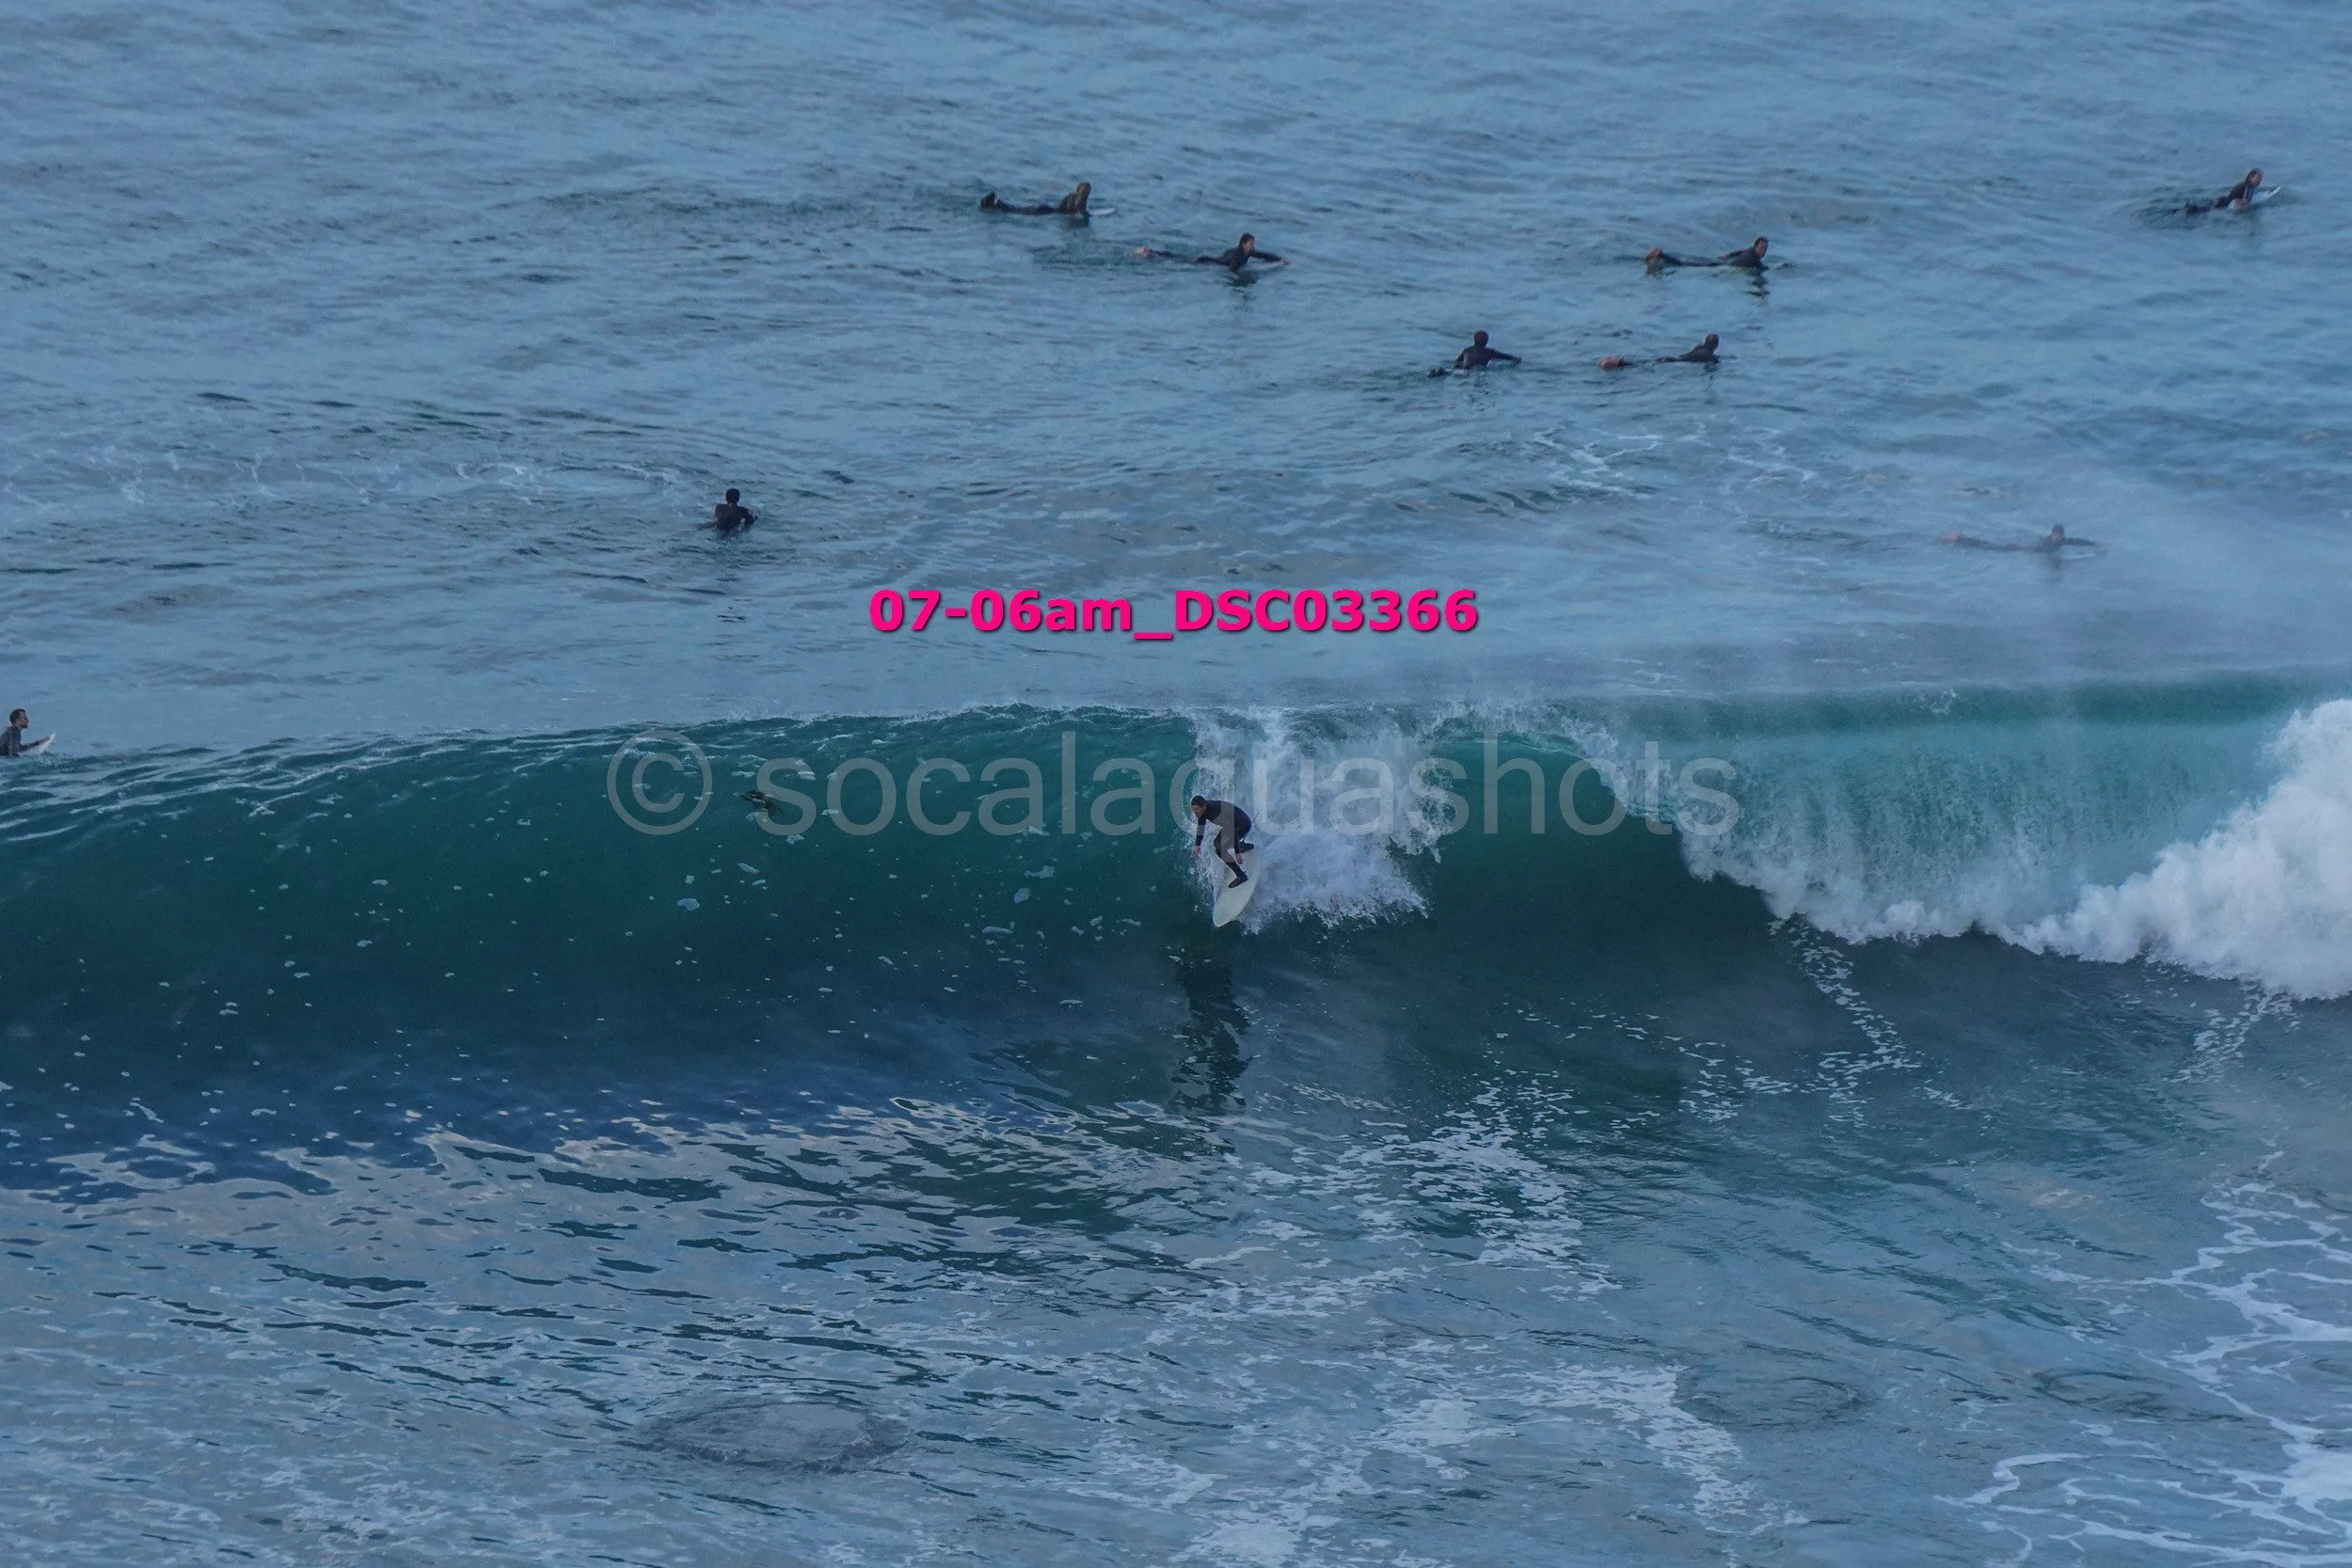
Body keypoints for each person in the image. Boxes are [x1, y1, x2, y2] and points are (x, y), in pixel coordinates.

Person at [1191, 795, 1256, 888]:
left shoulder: (1215, 811)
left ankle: (1241, 876)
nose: (1195, 812)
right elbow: (1201, 827)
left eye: (1197, 809)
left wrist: (1237, 853)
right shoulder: (1202, 812)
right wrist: (1197, 844)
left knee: (1220, 850)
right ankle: (1242, 846)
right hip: (1231, 825)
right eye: (1193, 809)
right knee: (1216, 843)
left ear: (1204, 806)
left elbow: (1232, 830)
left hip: (1242, 825)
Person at [1135, 232, 1287, 272]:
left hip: (1208, 260)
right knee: (1177, 261)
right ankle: (1150, 254)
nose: (1254, 246)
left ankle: (1150, 252)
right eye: (1252, 243)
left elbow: (1263, 255)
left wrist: (1280, 259)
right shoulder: (1239, 255)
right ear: (1244, 244)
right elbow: (1233, 270)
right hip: (1206, 263)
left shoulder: (1247, 252)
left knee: (1179, 258)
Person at [1646, 237, 1769, 273]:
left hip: (1722, 262)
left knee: (1688, 263)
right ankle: (1661, 255)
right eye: (1762, 248)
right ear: (1756, 246)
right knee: (1685, 265)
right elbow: (1761, 268)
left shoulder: (1751, 252)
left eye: (1765, 249)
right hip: (1717, 266)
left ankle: (1661, 255)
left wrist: (1727, 255)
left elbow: (1741, 251)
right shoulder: (1753, 258)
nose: (1763, 251)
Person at [981, 181, 1090, 217]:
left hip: (1048, 210)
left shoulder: (1071, 196)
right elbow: (1079, 209)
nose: (1087, 192)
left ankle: (997, 203)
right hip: (1049, 213)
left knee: (1017, 210)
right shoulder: (1076, 198)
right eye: (1086, 190)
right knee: (1016, 211)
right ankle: (997, 204)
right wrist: (1086, 215)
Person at [2185, 168, 2263, 214]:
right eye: (2258, 178)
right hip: (2224, 202)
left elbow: (2231, 192)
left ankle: (2190, 209)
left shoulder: (2242, 184)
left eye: (2260, 178)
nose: (2259, 180)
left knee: (2203, 209)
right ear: (2251, 177)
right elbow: (2244, 202)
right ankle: (2191, 209)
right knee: (2203, 211)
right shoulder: (2248, 187)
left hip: (2220, 199)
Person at [1449, 330, 1521, 372]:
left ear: (1474, 340)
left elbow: (1455, 363)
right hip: (1475, 371)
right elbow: (1505, 356)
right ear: (1486, 341)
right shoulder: (1490, 352)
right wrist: (1516, 358)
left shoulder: (1466, 350)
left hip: (1463, 369)